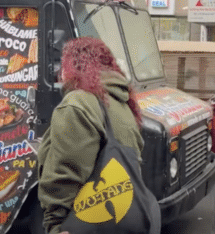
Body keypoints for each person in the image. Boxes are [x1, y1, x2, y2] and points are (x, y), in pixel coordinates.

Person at [37, 37, 144, 234]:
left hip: (86, 221)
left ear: (74, 67)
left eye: (64, 64)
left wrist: (55, 223)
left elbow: (65, 172)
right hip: (124, 216)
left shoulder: (78, 103)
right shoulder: (122, 104)